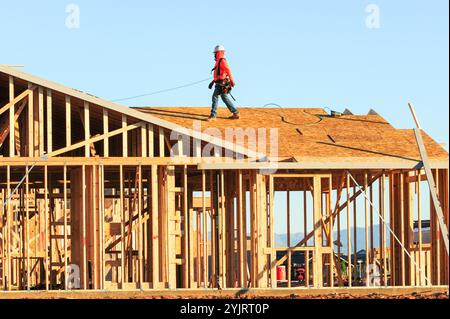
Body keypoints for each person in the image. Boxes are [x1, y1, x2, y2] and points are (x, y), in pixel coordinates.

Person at [208, 45, 240, 121]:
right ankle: (235, 112)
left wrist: (232, 80)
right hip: (219, 83)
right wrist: (212, 82)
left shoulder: (222, 61)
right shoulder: (218, 61)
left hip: (222, 84)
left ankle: (213, 116)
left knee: (215, 97)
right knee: (224, 97)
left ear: (219, 53)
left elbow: (228, 70)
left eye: (215, 53)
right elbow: (219, 73)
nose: (214, 54)